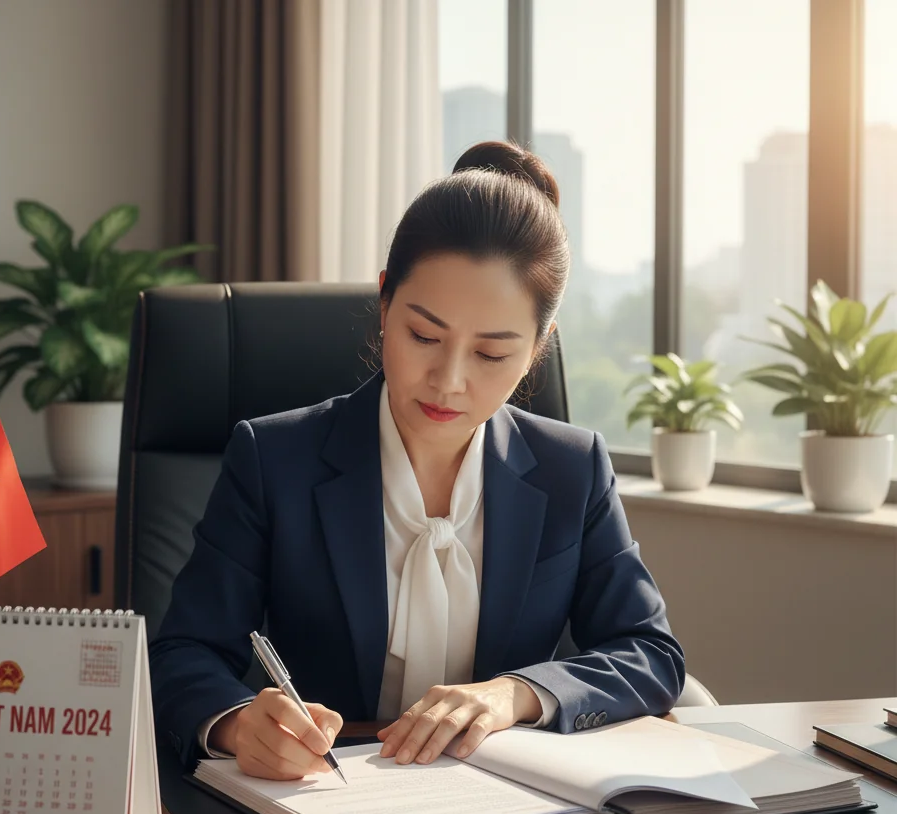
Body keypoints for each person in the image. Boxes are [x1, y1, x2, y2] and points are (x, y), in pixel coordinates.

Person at [150, 140, 685, 780]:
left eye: (491, 354)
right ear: (384, 302)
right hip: (321, 799)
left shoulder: (573, 468)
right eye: (424, 336)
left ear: (539, 346)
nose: (449, 380)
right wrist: (237, 722)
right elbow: (180, 655)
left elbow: (649, 654)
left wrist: (513, 693)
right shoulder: (274, 460)